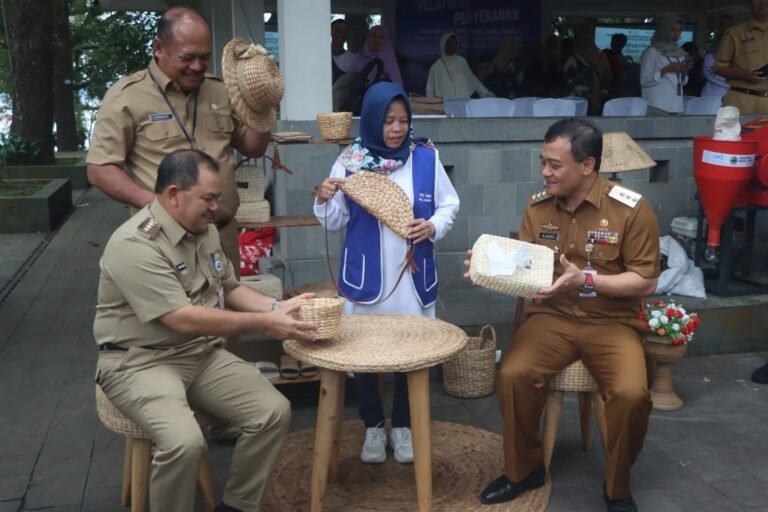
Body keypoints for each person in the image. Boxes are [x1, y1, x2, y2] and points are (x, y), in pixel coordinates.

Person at [94, 149, 317, 512]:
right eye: (208, 198)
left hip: (197, 354)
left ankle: (238, 505)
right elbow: (181, 317)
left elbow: (229, 287)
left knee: (272, 411)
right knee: (185, 443)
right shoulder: (134, 244)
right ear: (173, 194)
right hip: (138, 362)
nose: (217, 207)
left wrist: (278, 308)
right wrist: (265, 323)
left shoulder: (203, 229)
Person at [468, 119, 659, 512]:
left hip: (611, 322)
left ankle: (617, 488)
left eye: (555, 165)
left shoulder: (631, 210)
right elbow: (523, 263)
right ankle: (525, 471)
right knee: (513, 375)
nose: (545, 172)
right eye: (543, 162)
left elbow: (645, 282)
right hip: (551, 317)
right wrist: (487, 264)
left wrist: (586, 279)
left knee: (631, 394)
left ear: (587, 166)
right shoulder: (538, 207)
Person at [314, 82, 459, 464]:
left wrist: (433, 227)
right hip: (366, 279)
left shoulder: (425, 157)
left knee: (412, 354)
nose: (396, 128)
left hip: (412, 278)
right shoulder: (350, 161)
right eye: (388, 120)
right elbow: (334, 222)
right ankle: (374, 427)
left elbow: (449, 205)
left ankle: (405, 426)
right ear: (373, 119)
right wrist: (325, 198)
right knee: (363, 355)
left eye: (403, 120)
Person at [86, 6, 271, 284]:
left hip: (220, 236)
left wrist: (263, 110)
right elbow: (100, 168)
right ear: (159, 47)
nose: (197, 66)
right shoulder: (127, 96)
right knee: (178, 321)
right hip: (163, 238)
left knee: (228, 319)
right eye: (188, 58)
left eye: (205, 58)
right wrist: (159, 206)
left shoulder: (220, 90)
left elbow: (252, 147)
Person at [714, 0, 768, 114]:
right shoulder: (735, 33)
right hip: (741, 100)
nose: (763, 2)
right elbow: (718, 68)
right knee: (737, 132)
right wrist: (744, 75)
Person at [640, 17, 691, 115]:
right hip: (658, 105)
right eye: (672, 30)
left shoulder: (680, 53)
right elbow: (644, 81)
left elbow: (682, 82)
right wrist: (666, 69)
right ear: (664, 30)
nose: (676, 34)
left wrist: (684, 72)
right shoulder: (652, 52)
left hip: (677, 106)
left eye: (679, 30)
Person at [425, 32, 494, 99]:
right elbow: (430, 90)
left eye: (454, 44)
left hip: (463, 104)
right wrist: (430, 107)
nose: (452, 46)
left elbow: (473, 81)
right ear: (443, 45)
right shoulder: (436, 67)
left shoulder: (461, 62)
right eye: (449, 44)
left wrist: (485, 93)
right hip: (446, 106)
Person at [563, 25, 612, 115]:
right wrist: (588, 94)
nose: (586, 38)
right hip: (578, 102)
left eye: (588, 35)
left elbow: (607, 75)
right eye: (583, 35)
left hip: (599, 102)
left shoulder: (600, 56)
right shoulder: (572, 57)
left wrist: (601, 93)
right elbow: (571, 79)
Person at [701, 17, 734, 98]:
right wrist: (731, 85)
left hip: (730, 97)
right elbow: (710, 76)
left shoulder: (737, 58)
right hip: (712, 96)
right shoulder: (710, 57)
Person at [331, 18, 356, 83]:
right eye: (337, 30)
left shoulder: (353, 59)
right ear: (330, 31)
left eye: (344, 32)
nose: (341, 34)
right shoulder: (321, 55)